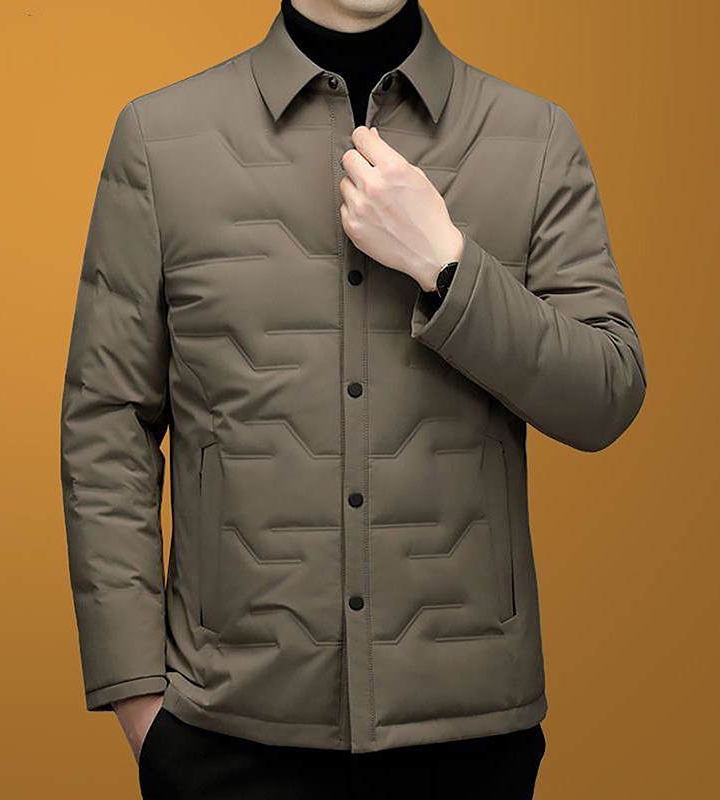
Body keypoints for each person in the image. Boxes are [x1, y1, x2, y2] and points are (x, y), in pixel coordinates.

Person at [60, 1, 647, 798]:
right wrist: (139, 702)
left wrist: (447, 265)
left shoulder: (535, 137)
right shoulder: (158, 139)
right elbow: (107, 425)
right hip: (225, 734)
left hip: (471, 740)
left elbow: (606, 395)